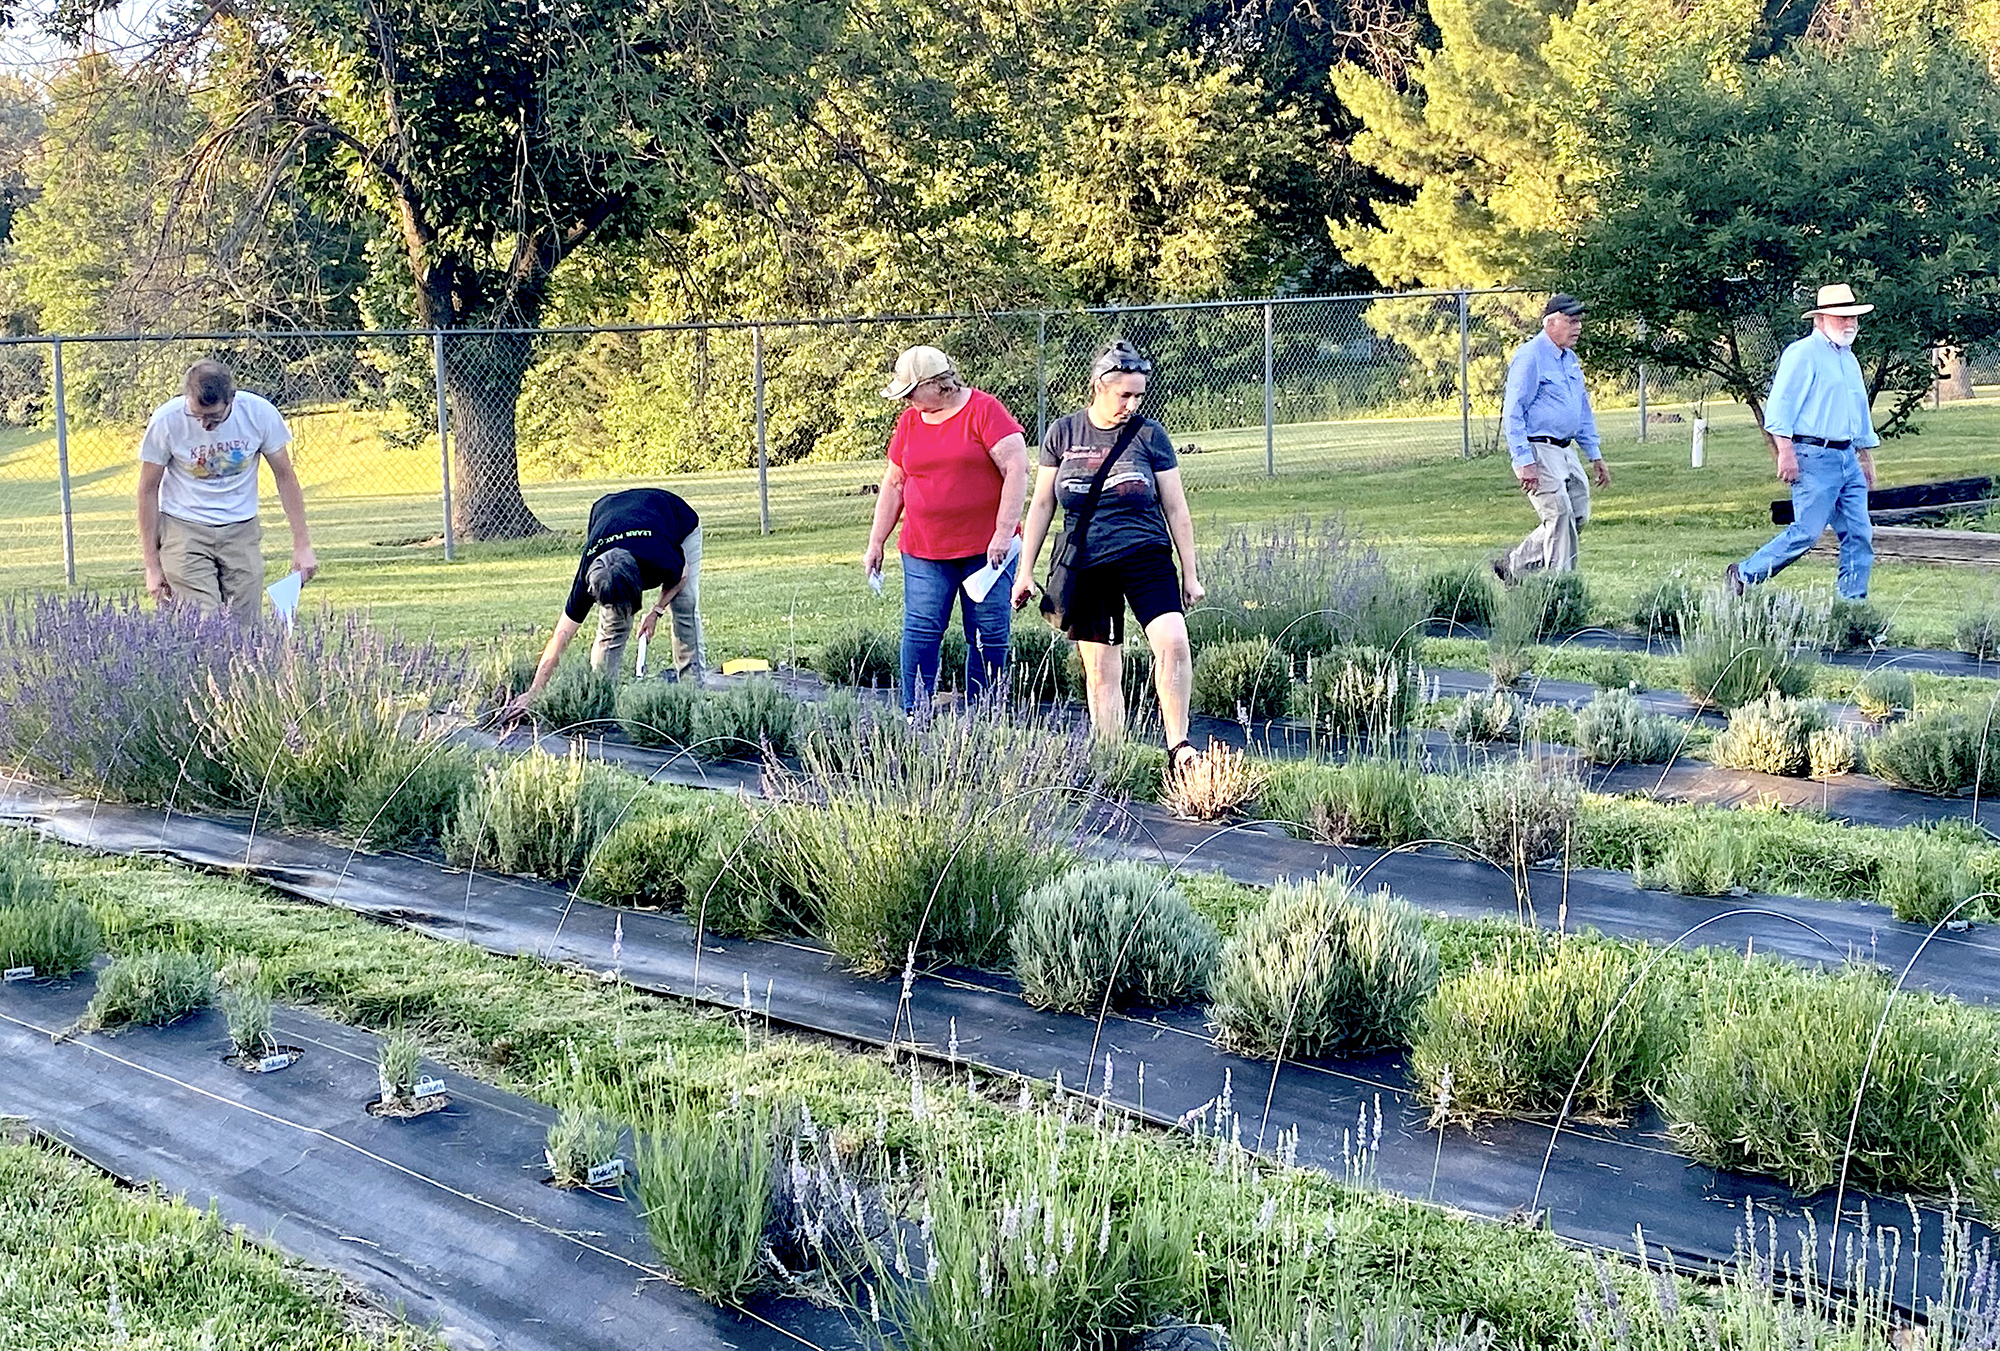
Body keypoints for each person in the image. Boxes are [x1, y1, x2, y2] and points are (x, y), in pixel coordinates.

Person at [1013, 340, 1204, 775]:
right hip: (1088, 559)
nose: (1132, 404)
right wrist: (1025, 572)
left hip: (1145, 552)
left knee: (1173, 642)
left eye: (1139, 395)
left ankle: (1179, 746)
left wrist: (1189, 574)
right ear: (1101, 386)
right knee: (1100, 668)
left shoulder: (1151, 436)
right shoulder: (1063, 433)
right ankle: (1111, 756)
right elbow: (1042, 505)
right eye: (1125, 394)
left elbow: (1176, 508)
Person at [863, 346, 1029, 712]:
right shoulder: (910, 422)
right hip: (924, 550)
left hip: (986, 552)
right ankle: (915, 712)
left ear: (937, 385)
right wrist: (877, 541)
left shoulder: (984, 411)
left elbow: (1017, 469)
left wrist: (1003, 532)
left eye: (911, 392)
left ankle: (985, 712)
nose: (906, 400)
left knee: (988, 633)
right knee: (921, 631)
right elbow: (894, 483)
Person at [1727, 283, 1879, 601]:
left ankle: (1851, 607)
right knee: (1807, 534)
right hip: (1812, 455)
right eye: (1841, 318)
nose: (1849, 323)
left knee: (1859, 533)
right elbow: (1781, 407)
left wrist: (1865, 456)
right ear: (1820, 319)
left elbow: (1858, 410)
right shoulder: (1802, 354)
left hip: (1846, 456)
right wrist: (1785, 452)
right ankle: (1743, 574)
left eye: (1852, 317)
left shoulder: (1849, 359)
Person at [136, 359, 317, 623]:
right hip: (184, 530)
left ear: (231, 399)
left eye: (214, 417)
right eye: (197, 415)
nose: (204, 425)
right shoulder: (167, 421)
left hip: (241, 530)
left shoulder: (259, 414)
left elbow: (286, 477)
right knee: (204, 623)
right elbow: (147, 491)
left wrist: (303, 545)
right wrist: (152, 565)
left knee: (244, 624)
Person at [503, 487, 705, 721]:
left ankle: (694, 694)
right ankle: (601, 701)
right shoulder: (590, 574)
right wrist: (535, 691)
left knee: (684, 605)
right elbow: (561, 634)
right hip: (608, 512)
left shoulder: (659, 558)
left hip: (675, 518)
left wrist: (656, 612)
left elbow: (682, 576)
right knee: (613, 626)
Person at [1493, 294, 1610, 582]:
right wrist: (1524, 460)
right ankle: (1559, 591)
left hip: (1565, 450)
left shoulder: (1569, 359)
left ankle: (1514, 564)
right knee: (1559, 517)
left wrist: (1594, 454)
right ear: (1551, 322)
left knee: (1578, 514)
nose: (1578, 327)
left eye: (1579, 321)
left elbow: (1581, 410)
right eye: (1571, 321)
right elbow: (1513, 411)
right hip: (1538, 448)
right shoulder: (1530, 356)